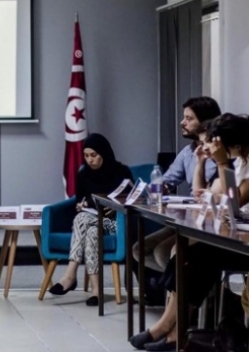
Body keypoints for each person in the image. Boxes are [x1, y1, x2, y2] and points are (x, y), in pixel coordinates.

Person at [130, 113, 249, 351]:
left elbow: (233, 203)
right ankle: (172, 331)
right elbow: (223, 199)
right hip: (237, 236)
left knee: (194, 257)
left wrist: (223, 163)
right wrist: (223, 165)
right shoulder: (241, 162)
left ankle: (168, 330)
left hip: (244, 244)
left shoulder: (238, 163)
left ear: (235, 145)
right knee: (189, 257)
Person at [131, 97, 221, 302]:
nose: (183, 122)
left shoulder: (220, 155)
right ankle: (184, 295)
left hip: (207, 222)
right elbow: (167, 180)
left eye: (189, 118)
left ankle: (193, 299)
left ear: (206, 122)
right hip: (187, 218)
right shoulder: (188, 151)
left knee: (165, 253)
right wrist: (156, 188)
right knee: (140, 250)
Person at [48, 133, 133, 306]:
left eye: (93, 155)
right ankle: (96, 290)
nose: (90, 160)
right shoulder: (83, 174)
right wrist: (81, 205)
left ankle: (70, 275)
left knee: (81, 219)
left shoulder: (121, 172)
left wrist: (116, 205)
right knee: (91, 231)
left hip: (115, 224)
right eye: (86, 156)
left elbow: (133, 200)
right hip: (93, 221)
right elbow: (80, 200)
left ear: (103, 153)